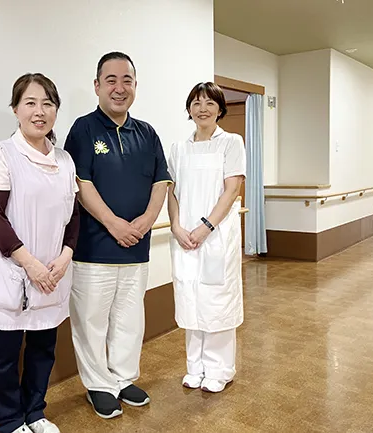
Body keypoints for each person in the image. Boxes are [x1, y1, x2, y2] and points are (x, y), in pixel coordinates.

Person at [63, 52, 172, 419]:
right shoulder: (83, 129)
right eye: (111, 80)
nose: (119, 87)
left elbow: (161, 181)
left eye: (127, 80)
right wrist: (113, 224)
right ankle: (98, 384)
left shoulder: (147, 133)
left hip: (137, 247)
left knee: (129, 319)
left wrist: (147, 220)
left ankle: (123, 378)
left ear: (135, 86)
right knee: (91, 321)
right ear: (97, 86)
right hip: (94, 249)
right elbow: (81, 182)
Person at [0, 73, 79, 433]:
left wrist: (65, 256)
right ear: (16, 109)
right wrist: (31, 265)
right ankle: (8, 421)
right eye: (30, 103)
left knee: (42, 350)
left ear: (56, 111)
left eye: (48, 103)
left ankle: (35, 412)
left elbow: (73, 216)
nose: (39, 111)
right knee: (4, 355)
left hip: (52, 274)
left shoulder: (65, 160)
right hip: (14, 273)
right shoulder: (1, 154)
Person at [167, 82, 246, 394]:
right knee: (190, 297)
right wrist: (176, 226)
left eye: (210, 103)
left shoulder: (231, 143)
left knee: (217, 300)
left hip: (216, 235)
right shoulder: (179, 148)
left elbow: (232, 189)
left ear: (220, 109)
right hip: (185, 236)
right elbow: (172, 191)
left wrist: (206, 227)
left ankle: (219, 369)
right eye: (196, 103)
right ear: (189, 109)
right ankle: (195, 367)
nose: (202, 109)